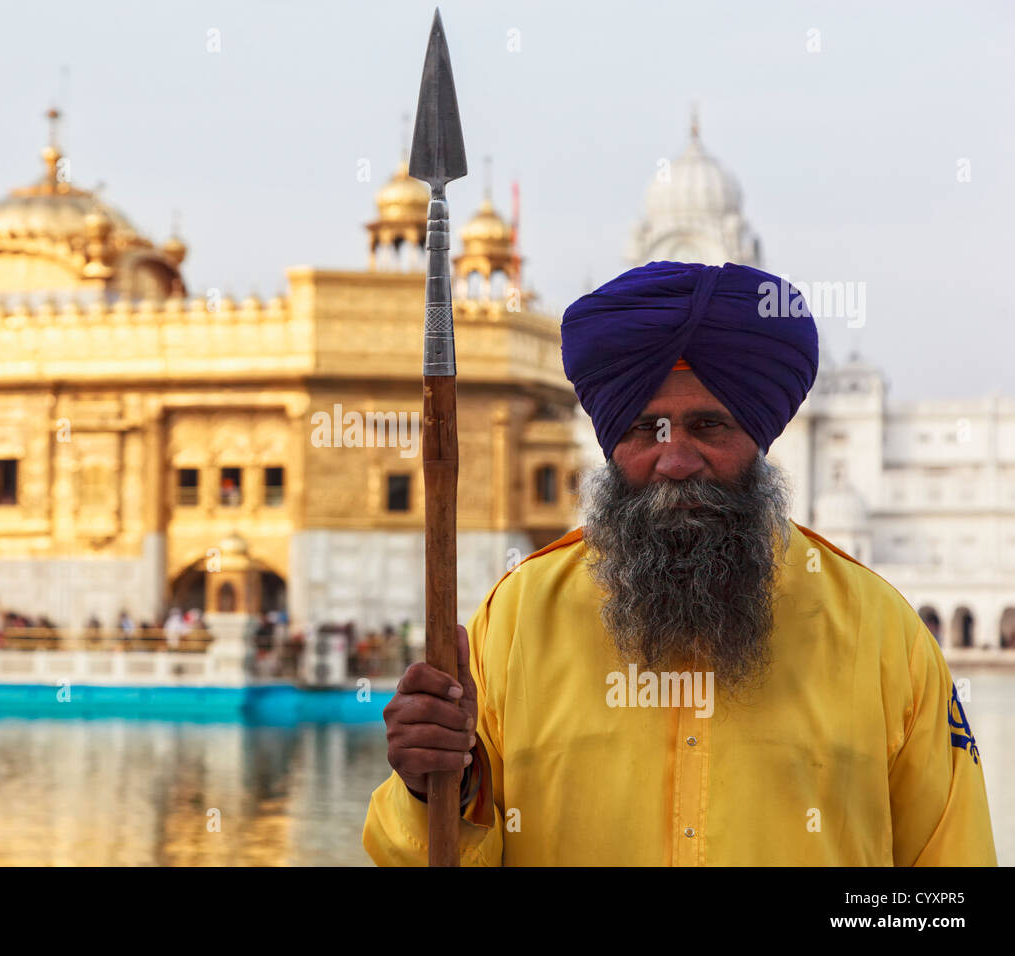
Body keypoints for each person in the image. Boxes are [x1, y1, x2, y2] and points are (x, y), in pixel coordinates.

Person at [364, 260, 997, 866]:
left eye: (708, 425)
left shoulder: (880, 633)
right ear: (613, 443)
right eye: (646, 428)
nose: (676, 459)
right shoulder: (518, 622)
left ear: (760, 434)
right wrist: (427, 790)